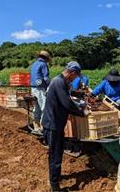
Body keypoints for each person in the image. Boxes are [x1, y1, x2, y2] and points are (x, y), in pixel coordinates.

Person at [41, 61, 89, 192]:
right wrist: (81, 112)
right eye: (75, 76)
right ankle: (55, 187)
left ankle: (54, 179)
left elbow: (68, 96)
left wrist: (80, 97)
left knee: (55, 153)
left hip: (54, 123)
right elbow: (67, 104)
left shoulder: (60, 81)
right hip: (53, 125)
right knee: (55, 156)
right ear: (71, 73)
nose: (75, 78)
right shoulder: (58, 82)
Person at [30, 50, 52, 135]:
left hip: (33, 88)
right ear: (45, 58)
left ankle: (36, 127)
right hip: (40, 88)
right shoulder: (43, 64)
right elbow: (46, 78)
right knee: (44, 107)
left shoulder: (34, 64)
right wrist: (50, 86)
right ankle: (44, 128)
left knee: (36, 108)